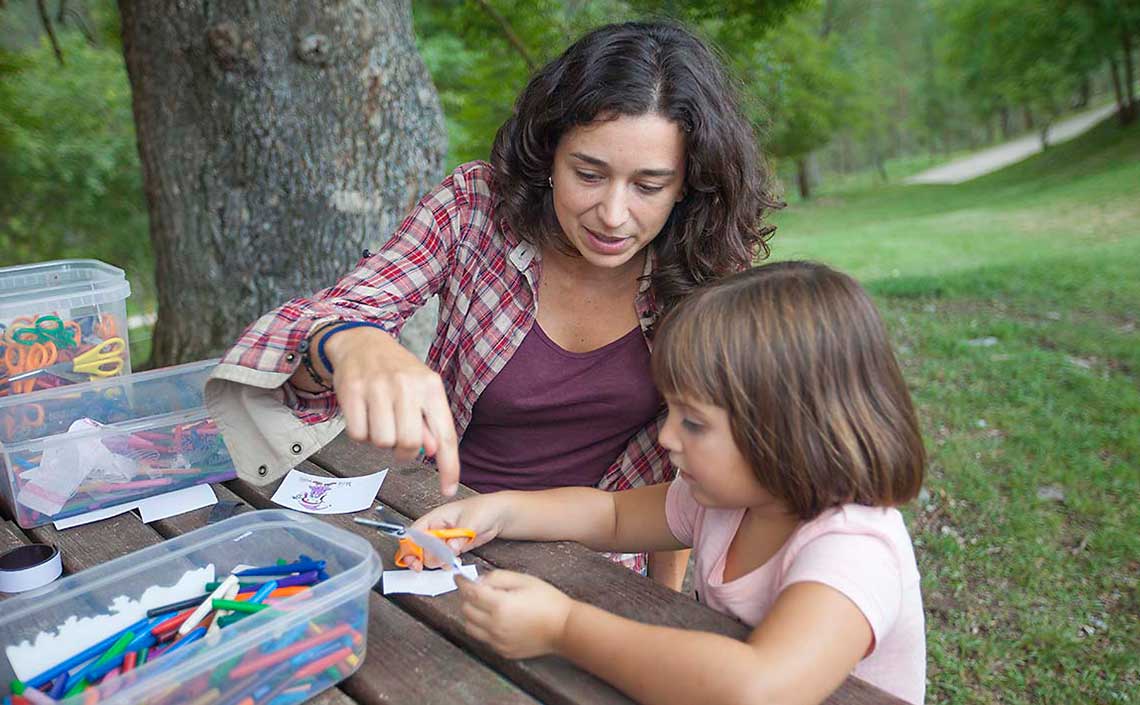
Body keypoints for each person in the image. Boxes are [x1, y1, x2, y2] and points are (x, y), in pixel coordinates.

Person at [205, 20, 780, 585]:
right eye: (588, 173)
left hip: (599, 565)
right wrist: (348, 342)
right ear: (550, 156)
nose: (612, 213)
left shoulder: (710, 270)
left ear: (687, 185)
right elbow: (329, 315)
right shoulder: (476, 207)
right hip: (437, 526)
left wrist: (665, 601)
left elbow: (693, 479)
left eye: (649, 187)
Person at [406, 261, 928, 705]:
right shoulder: (729, 500)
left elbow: (759, 688)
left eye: (693, 422)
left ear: (791, 430)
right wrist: (497, 512)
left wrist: (562, 629)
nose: (667, 438)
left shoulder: (852, 548)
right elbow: (609, 516)